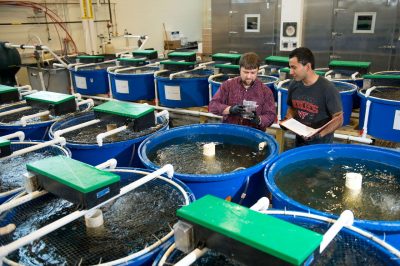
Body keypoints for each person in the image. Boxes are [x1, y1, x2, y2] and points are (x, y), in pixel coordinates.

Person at [283, 47, 343, 147]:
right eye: (290, 67)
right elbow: (292, 108)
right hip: (300, 142)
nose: (290, 72)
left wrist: (319, 135)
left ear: (307, 67)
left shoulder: (328, 89)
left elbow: (338, 119)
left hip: (321, 146)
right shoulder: (294, 85)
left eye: (294, 67)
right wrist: (287, 120)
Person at [208, 52, 276, 131]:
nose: (249, 76)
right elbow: (213, 106)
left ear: (258, 71)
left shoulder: (265, 91)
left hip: (254, 133)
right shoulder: (228, 85)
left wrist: (258, 119)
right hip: (230, 131)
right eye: (246, 72)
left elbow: (271, 116)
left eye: (253, 73)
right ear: (239, 69)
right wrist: (230, 109)